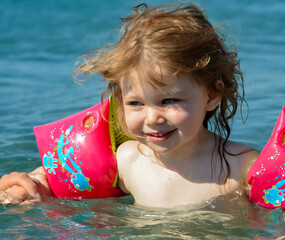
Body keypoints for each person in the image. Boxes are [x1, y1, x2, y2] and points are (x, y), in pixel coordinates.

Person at [0, 2, 259, 208]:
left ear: (212, 96)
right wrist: (28, 185)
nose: (152, 118)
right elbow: (56, 182)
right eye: (136, 103)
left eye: (169, 100)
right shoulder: (126, 161)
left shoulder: (242, 167)